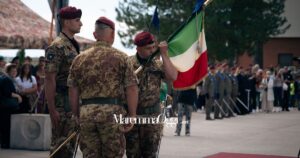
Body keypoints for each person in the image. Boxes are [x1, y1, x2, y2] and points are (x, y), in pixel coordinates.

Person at [68, 16, 138, 157]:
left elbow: (73, 89)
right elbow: (131, 88)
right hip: (112, 115)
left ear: (95, 35)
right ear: (112, 34)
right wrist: (132, 115)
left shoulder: (79, 59)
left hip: (86, 114)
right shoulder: (121, 57)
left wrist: (76, 114)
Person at [125, 31, 178, 157]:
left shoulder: (157, 64)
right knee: (132, 154)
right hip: (133, 116)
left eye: (153, 47)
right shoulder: (127, 63)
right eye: (148, 48)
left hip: (152, 117)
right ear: (138, 48)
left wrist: (164, 54)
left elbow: (172, 76)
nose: (152, 50)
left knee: (150, 154)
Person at [45, 6, 82, 158]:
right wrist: (52, 109)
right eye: (77, 20)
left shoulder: (73, 44)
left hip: (72, 102)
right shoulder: (57, 46)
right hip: (62, 103)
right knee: (61, 147)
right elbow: (49, 79)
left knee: (70, 146)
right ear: (66, 22)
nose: (81, 23)